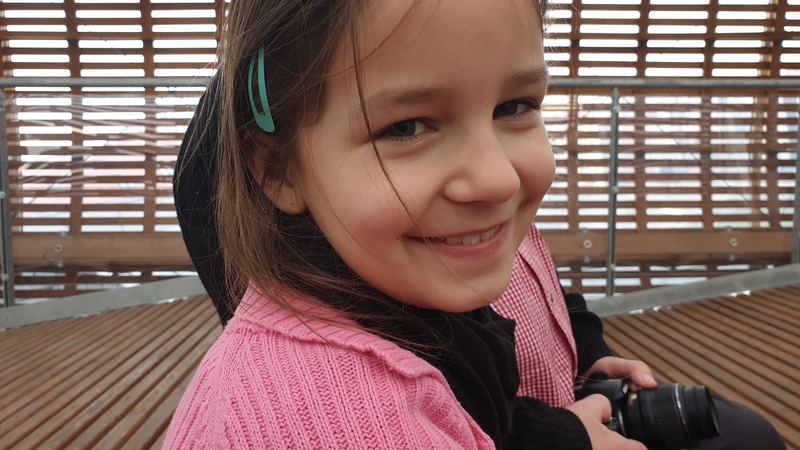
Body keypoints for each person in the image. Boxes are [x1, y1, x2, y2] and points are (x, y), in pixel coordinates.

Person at [168, 0, 787, 448]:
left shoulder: (426, 255)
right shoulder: (331, 420)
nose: (497, 179)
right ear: (278, 169)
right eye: (406, 127)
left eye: (514, 106)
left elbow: (548, 294)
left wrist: (590, 355)